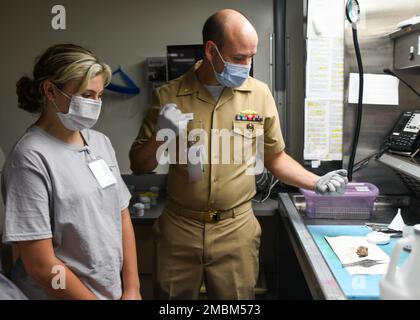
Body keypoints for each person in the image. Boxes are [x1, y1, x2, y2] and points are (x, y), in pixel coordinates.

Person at [129, 9, 348, 299]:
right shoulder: (168, 96)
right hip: (180, 229)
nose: (247, 65)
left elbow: (275, 157)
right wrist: (161, 136)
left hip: (236, 228)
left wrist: (314, 182)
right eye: (238, 58)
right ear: (211, 50)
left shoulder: (259, 95)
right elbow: (139, 166)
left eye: (251, 56)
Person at [2, 44, 141, 300]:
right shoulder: (30, 157)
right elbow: (41, 264)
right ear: (50, 91)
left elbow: (121, 216)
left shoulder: (99, 142)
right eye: (86, 95)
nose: (95, 104)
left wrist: (132, 288)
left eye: (99, 96)